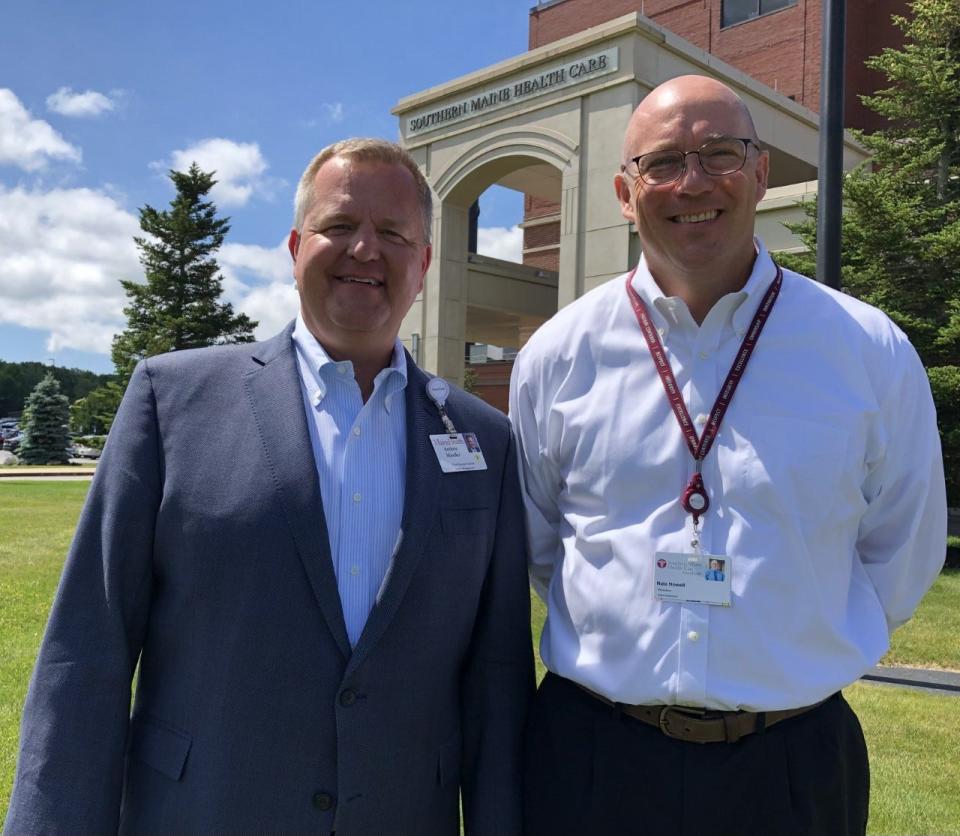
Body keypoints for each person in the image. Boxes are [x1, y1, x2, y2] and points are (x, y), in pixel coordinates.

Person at [5, 138, 534, 835]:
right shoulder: (172, 401)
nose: (365, 250)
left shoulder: (483, 440)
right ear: (294, 248)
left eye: (393, 233)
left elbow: (496, 681)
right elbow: (89, 645)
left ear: (426, 263)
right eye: (339, 227)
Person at [510, 75, 946, 836]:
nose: (694, 182)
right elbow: (542, 544)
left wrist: (794, 645)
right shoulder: (558, 354)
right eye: (664, 162)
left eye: (720, 153)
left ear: (762, 172)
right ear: (624, 189)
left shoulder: (866, 348)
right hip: (593, 762)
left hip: (792, 765)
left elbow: (901, 550)